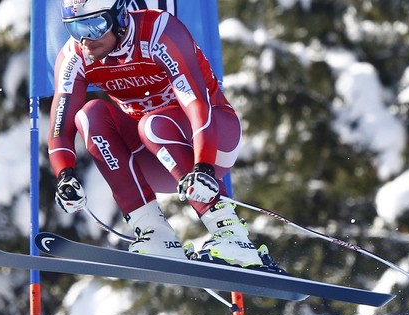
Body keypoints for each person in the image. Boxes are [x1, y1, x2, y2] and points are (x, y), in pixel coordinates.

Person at [48, 0, 265, 268]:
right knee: (89, 115)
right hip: (158, 157)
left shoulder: (159, 32)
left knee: (152, 125)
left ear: (119, 17)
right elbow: (61, 126)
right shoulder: (74, 56)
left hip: (211, 139)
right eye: (75, 28)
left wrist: (204, 165)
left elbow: (197, 104)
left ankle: (231, 232)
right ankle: (155, 234)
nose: (85, 39)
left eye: (94, 26)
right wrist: (64, 176)